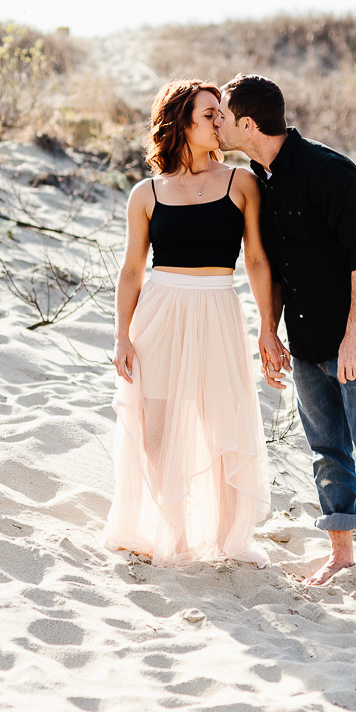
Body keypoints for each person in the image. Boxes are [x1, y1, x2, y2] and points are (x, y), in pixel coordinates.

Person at [216, 74, 356, 602]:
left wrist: (355, 336)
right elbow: (277, 270)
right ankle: (342, 554)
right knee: (327, 452)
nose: (216, 125)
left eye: (223, 118)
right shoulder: (258, 181)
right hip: (304, 343)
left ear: (248, 124)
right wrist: (271, 331)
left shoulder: (331, 171)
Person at [106, 79, 276, 567]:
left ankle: (226, 540)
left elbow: (258, 261)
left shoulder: (240, 182)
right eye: (209, 114)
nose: (218, 121)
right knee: (155, 428)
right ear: (181, 121)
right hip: (159, 312)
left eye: (220, 113)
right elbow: (132, 270)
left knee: (222, 422)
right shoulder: (146, 193)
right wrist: (122, 336)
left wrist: (268, 327)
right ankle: (173, 531)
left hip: (218, 309)